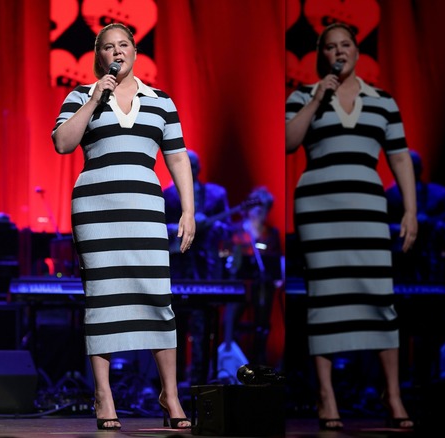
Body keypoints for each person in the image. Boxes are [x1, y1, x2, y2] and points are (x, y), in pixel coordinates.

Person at [51, 22, 193, 430]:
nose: (117, 52)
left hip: (145, 207)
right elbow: (62, 143)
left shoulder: (160, 100)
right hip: (96, 208)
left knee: (156, 294)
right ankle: (104, 395)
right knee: (103, 296)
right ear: (99, 56)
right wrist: (95, 98)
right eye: (108, 47)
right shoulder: (81, 95)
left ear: (135, 51)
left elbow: (178, 158)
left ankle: (170, 393)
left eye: (123, 45)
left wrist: (188, 211)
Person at [285, 22, 418, 431]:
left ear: (357, 51)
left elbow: (399, 158)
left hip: (367, 206)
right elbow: (289, 141)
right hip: (319, 206)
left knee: (378, 292)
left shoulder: (383, 101)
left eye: (345, 45)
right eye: (329, 47)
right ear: (320, 55)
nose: (337, 52)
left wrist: (410, 211)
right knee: (324, 295)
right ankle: (327, 395)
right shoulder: (303, 96)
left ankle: (392, 394)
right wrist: (317, 99)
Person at [225, 186, 284, 367]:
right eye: (257, 208)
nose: (259, 212)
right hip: (239, 285)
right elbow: (229, 261)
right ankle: (234, 361)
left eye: (264, 209)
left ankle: (259, 361)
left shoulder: (271, 234)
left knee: (262, 324)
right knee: (231, 323)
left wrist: (279, 277)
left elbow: (277, 259)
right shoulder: (237, 232)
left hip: (262, 286)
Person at [385, 150, 445, 282]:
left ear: (421, 168)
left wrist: (436, 225)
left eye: (414, 166)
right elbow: (383, 227)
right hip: (402, 255)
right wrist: (406, 226)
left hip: (433, 256)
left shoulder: (439, 193)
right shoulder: (391, 195)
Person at [163, 149, 231, 281]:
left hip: (208, 264)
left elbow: (228, 230)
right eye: (186, 166)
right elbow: (159, 229)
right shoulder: (167, 196)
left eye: (192, 166)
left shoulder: (216, 194)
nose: (189, 170)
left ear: (199, 168)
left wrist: (213, 225)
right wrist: (181, 227)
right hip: (178, 264)